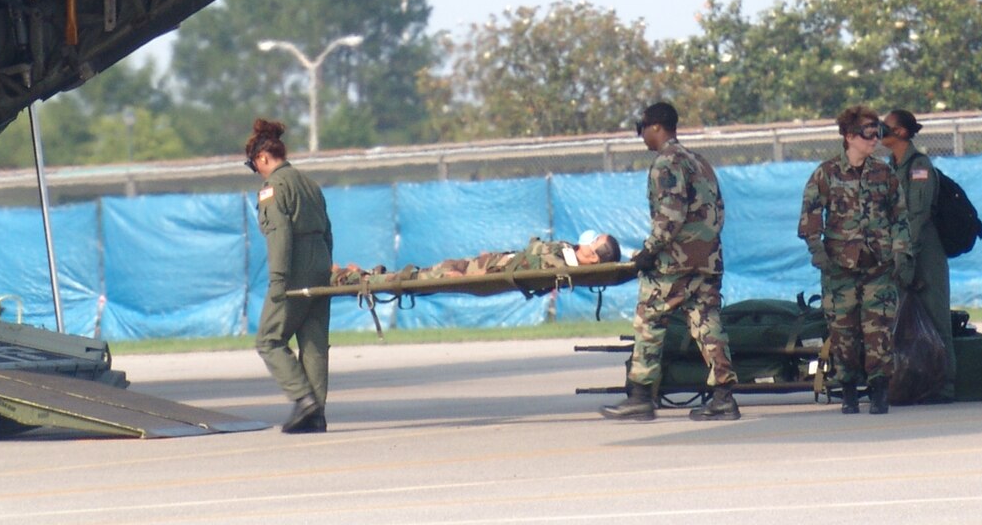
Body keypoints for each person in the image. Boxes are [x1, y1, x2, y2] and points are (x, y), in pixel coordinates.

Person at [601, 100, 739, 422]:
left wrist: (648, 252)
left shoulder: (667, 163)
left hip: (674, 265)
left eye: (642, 129)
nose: (642, 136)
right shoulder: (699, 161)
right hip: (707, 259)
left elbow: (670, 215)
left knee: (649, 322)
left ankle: (639, 396)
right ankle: (724, 397)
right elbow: (717, 210)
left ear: (656, 127)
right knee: (708, 325)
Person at [798, 105, 913, 413]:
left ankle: (879, 391)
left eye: (878, 133)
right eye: (868, 133)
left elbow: (900, 216)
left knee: (878, 330)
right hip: (839, 267)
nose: (874, 139)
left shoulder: (884, 173)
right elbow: (809, 214)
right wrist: (817, 250)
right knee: (843, 331)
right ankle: (848, 390)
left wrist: (901, 251)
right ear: (849, 136)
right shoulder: (826, 173)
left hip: (878, 265)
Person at [248, 118, 334, 434]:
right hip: (319, 265)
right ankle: (317, 415)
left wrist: (279, 279)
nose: (257, 171)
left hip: (294, 267)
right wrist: (326, 267)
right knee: (313, 343)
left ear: (263, 158)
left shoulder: (273, 188)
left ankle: (304, 400)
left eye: (254, 165)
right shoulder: (310, 184)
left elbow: (280, 234)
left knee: (269, 339)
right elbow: (328, 231)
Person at [880, 109, 954, 401]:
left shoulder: (919, 165)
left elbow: (917, 214)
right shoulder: (890, 166)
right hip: (903, 250)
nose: (880, 130)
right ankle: (913, 382)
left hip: (924, 251)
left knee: (935, 317)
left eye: (886, 126)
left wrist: (905, 253)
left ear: (901, 132)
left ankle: (945, 384)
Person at [345, 233, 622, 283]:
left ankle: (360, 277)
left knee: (423, 276)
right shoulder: (566, 254)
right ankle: (369, 275)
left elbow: (536, 250)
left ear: (594, 258)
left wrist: (469, 278)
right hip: (485, 264)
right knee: (427, 271)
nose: (588, 240)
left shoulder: (563, 265)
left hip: (479, 273)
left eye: (594, 241)